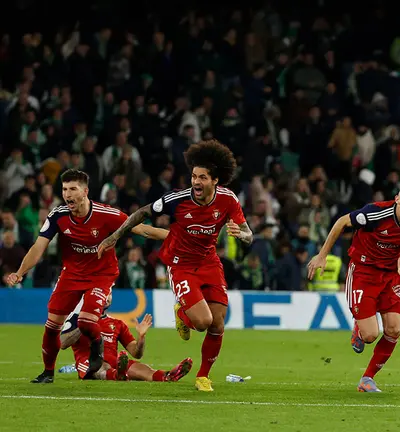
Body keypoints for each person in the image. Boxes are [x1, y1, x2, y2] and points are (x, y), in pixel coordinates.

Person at [97, 140, 253, 392]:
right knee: (202, 322)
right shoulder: (177, 200)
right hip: (181, 265)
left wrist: (241, 234)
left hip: (209, 262)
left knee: (218, 323)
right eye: (193, 176)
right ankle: (182, 313)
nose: (196, 182)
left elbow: (249, 235)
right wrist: (114, 237)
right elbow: (142, 213)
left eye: (202, 177)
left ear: (215, 180)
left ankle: (203, 376)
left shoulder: (228, 200)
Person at [3, 169, 168, 383]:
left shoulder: (107, 214)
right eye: (64, 189)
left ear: (85, 191)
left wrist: (177, 237)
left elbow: (143, 230)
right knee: (52, 326)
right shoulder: (58, 215)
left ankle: (97, 347)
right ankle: (47, 372)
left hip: (102, 274)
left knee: (86, 320)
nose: (68, 194)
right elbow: (38, 247)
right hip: (71, 274)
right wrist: (20, 272)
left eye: (73, 189)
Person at [307, 179, 400, 392]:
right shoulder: (375, 214)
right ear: (397, 199)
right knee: (370, 335)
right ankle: (360, 329)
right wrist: (322, 255)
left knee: (394, 329)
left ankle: (367, 378)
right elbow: (341, 222)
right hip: (363, 272)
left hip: (391, 275)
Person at [60, 297, 193, 382]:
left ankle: (168, 376)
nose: (107, 297)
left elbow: (136, 353)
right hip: (89, 362)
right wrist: (85, 323)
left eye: (110, 293)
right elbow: (63, 343)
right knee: (102, 367)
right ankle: (117, 374)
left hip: (116, 362)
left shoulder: (117, 324)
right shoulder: (76, 318)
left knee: (142, 369)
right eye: (104, 293)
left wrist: (141, 337)